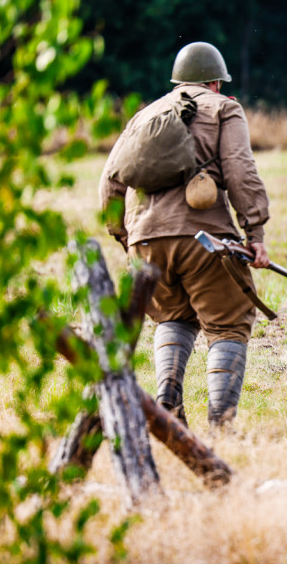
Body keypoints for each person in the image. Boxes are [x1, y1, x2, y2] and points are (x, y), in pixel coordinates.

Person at [100, 41, 271, 431]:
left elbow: (109, 182)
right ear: (215, 82)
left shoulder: (145, 115)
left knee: (173, 317)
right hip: (205, 239)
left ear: (178, 82)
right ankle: (221, 426)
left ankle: (167, 407)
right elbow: (240, 171)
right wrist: (255, 232)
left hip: (145, 242)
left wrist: (128, 238)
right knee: (228, 323)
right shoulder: (224, 107)